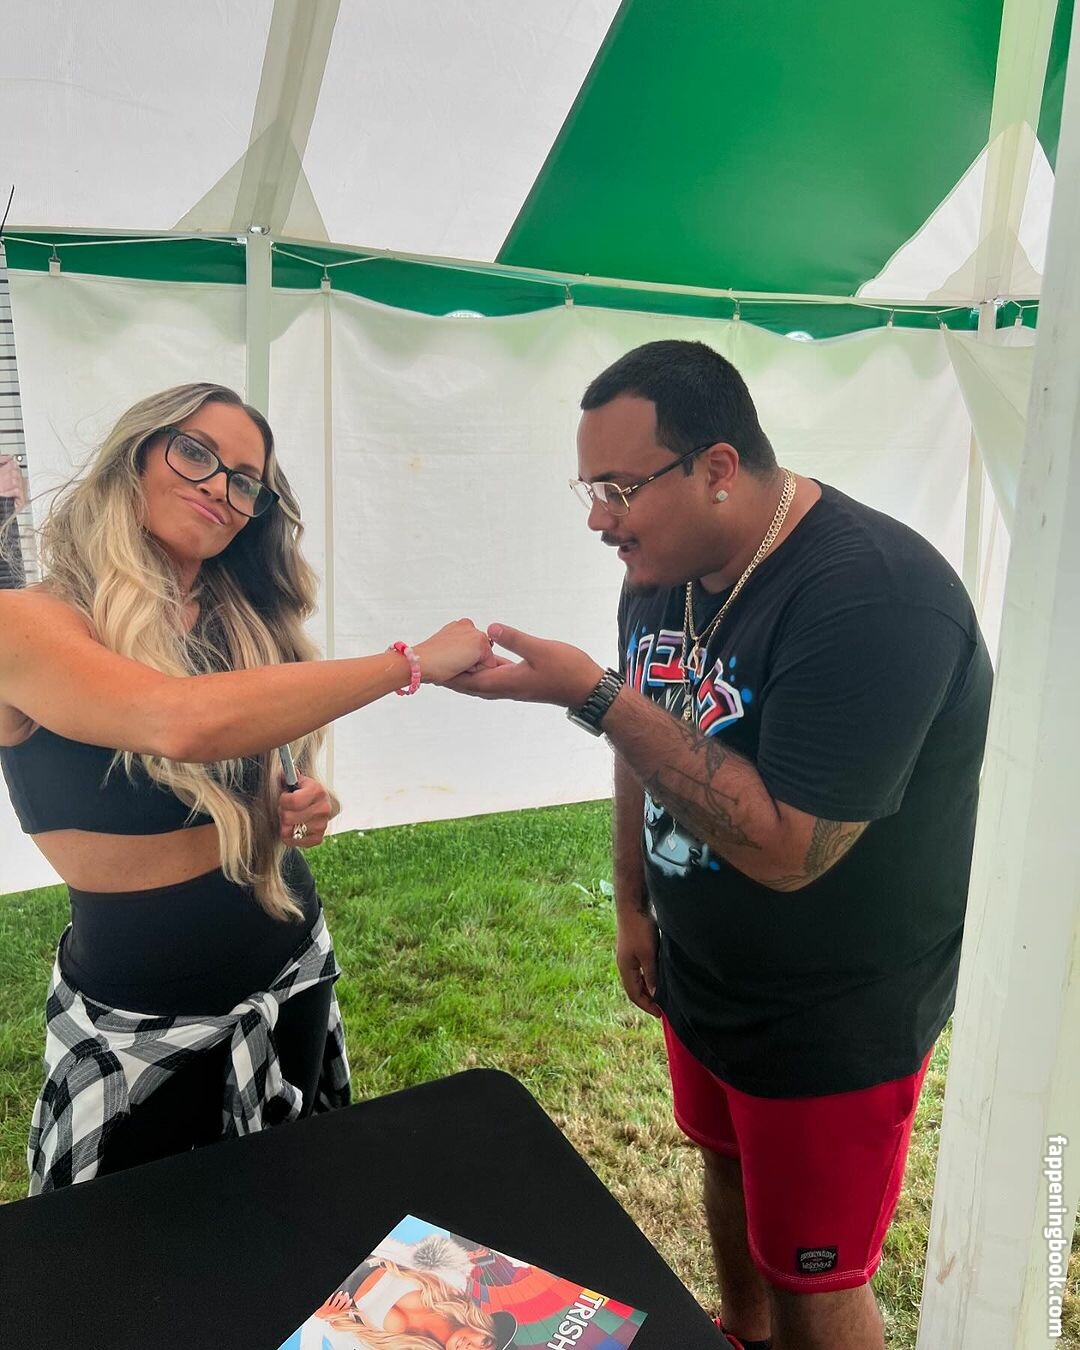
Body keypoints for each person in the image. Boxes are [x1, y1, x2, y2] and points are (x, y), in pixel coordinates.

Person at [449, 340, 993, 1350]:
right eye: (590, 488)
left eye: (619, 488)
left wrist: (593, 695)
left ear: (717, 468)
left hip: (831, 1014)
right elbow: (644, 737)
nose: (599, 519)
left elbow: (789, 850)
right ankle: (738, 1335)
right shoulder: (665, 570)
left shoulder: (874, 598)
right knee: (725, 1167)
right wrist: (632, 903)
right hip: (703, 976)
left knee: (815, 1281)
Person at [0, 382, 494, 1194]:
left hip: (291, 970)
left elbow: (246, 775)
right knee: (132, 1261)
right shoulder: (27, 620)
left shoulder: (237, 618)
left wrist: (296, 805)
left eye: (244, 481)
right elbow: (176, 721)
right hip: (138, 1028)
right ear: (135, 455)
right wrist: (408, 665)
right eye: (195, 453)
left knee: (301, 1214)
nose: (219, 488)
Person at [310, 1258, 516, 1349]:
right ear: (486, 1328)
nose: (471, 1348)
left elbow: (331, 1336)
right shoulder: (452, 1287)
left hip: (313, 1284)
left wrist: (321, 1315)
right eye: (485, 1343)